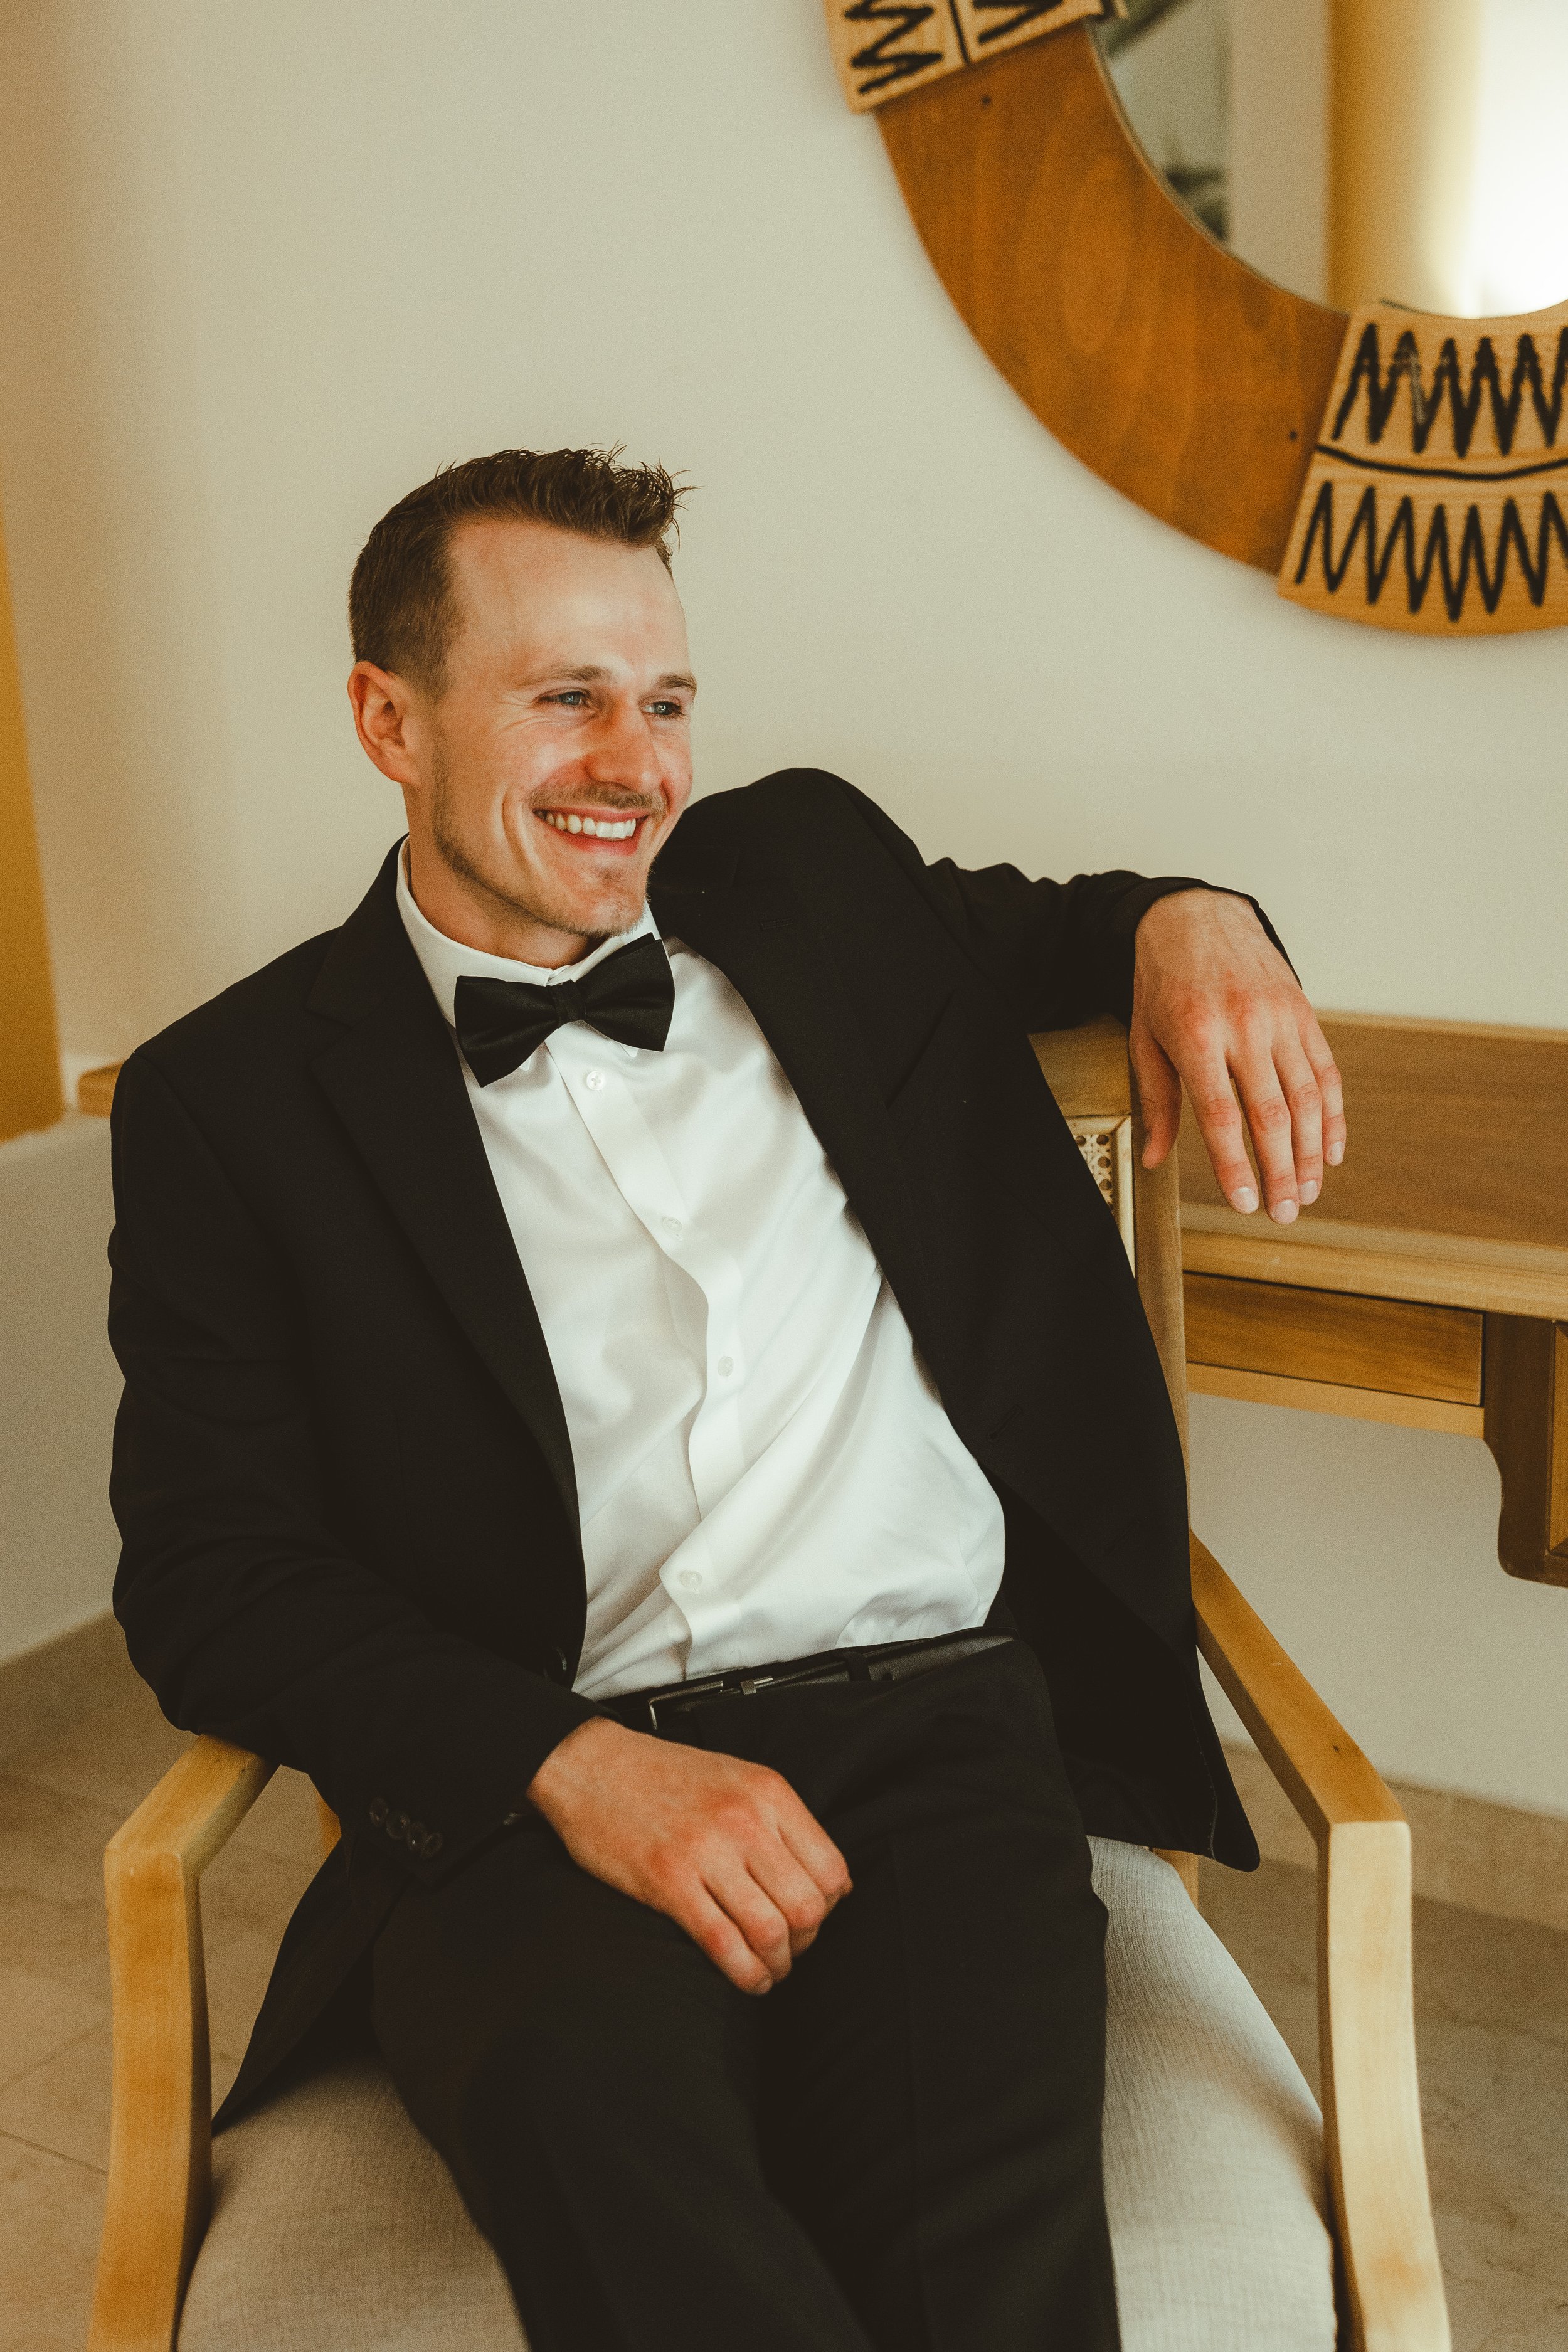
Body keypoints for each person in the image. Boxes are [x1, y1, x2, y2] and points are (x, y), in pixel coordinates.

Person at [108, 447, 1345, 2352]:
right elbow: (213, 1573)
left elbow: (1064, 923)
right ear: (390, 718)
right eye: (562, 698)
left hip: (935, 1733)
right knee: (650, 2236)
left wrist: (1194, 915)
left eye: (665, 699)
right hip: (535, 1790)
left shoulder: (810, 882)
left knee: (988, 2281)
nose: (633, 762)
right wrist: (571, 1766)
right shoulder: (234, 1100)